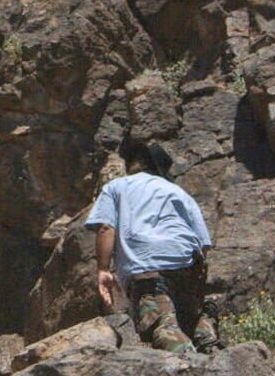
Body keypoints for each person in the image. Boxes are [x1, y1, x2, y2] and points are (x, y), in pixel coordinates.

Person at [86, 139, 221, 354]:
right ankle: (206, 335)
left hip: (149, 270)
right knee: (187, 319)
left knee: (162, 327)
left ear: (131, 164)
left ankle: (194, 365)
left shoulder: (116, 187)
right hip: (189, 266)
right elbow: (203, 245)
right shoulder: (179, 192)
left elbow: (105, 227)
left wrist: (103, 269)